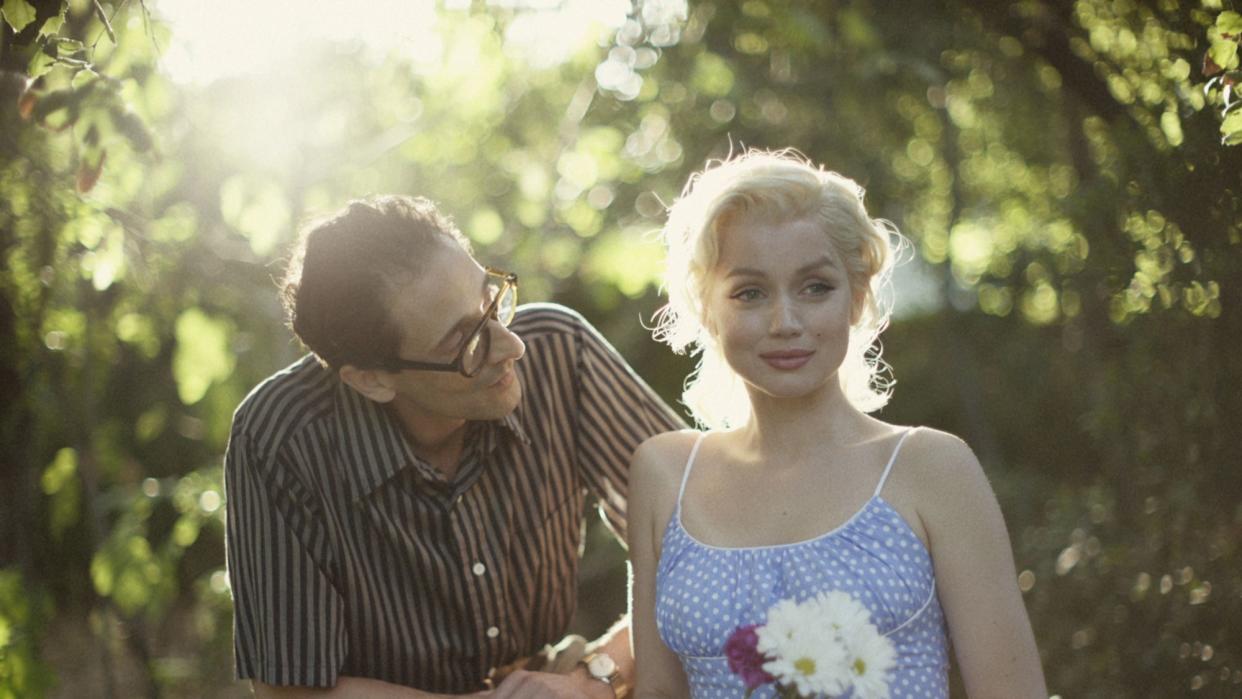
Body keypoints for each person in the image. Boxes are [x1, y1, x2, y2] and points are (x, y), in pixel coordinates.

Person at [224, 195, 684, 698]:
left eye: (492, 298)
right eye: (465, 342)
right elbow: (291, 687)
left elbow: (704, 536)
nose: (512, 346)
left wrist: (593, 680)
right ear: (373, 379)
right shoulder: (280, 436)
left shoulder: (560, 350)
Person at [627, 150, 1047, 698]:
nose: (786, 323)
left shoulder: (932, 468)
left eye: (815, 287)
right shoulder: (663, 474)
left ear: (858, 297)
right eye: (750, 293)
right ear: (707, 308)